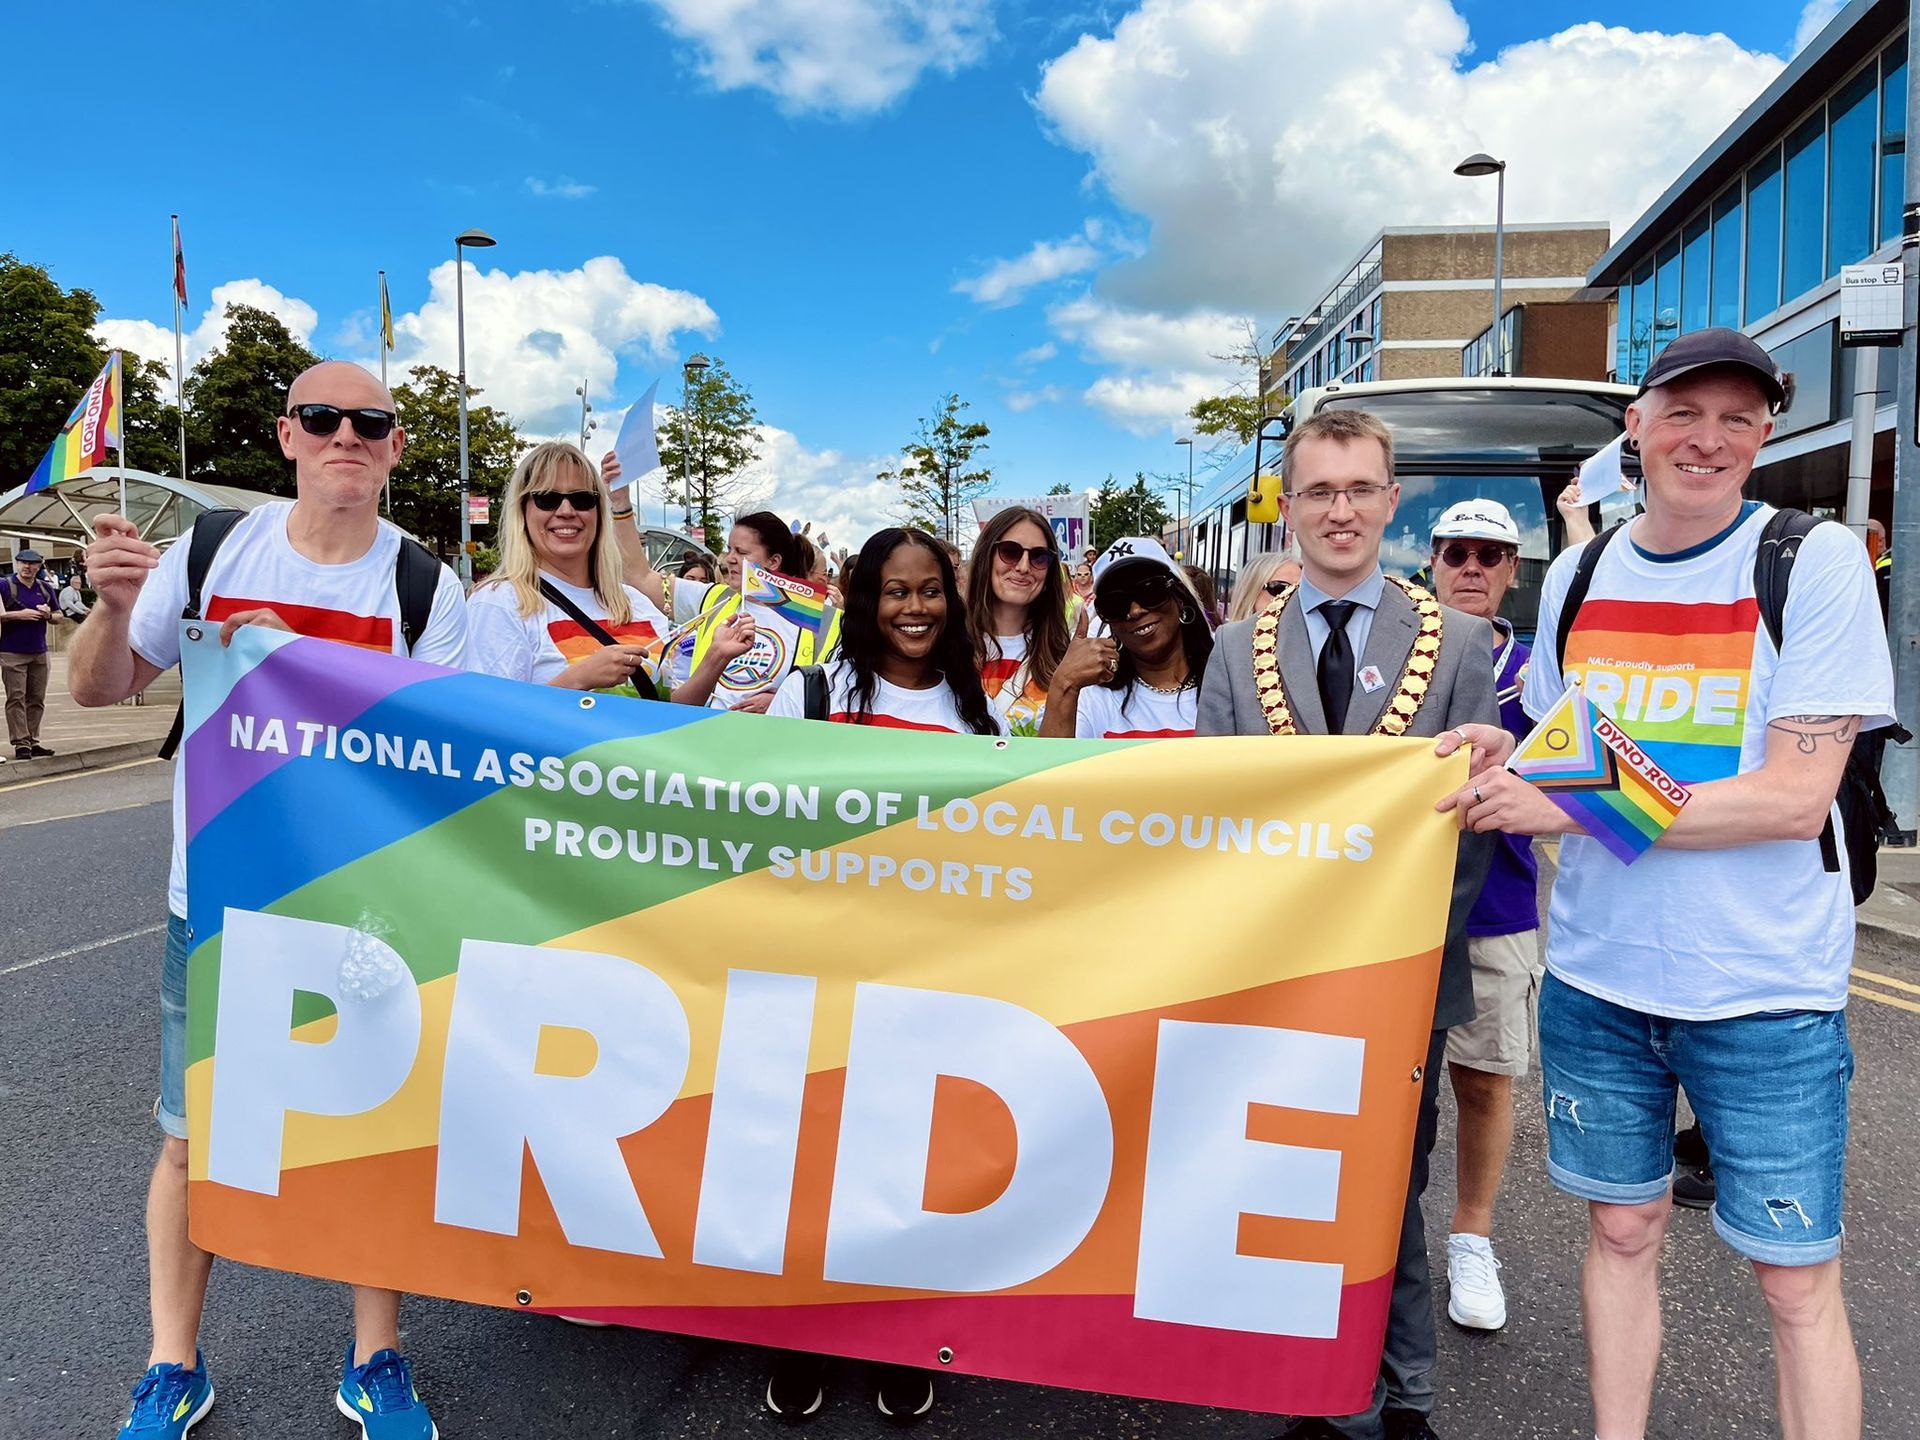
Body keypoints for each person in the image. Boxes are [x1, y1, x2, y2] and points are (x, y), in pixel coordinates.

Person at [1440, 328, 1893, 1440]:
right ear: (1634, 428)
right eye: (1684, 412)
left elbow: (1795, 797)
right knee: (1623, 1235)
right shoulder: (1582, 573)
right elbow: (1560, 745)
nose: (1709, 438)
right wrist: (1508, 757)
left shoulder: (1812, 559)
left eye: (1739, 417)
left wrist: (1584, 795)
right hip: (1600, 979)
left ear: (1767, 432)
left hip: (1766, 990)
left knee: (1794, 1283)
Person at [69, 360, 467, 1440]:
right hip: (217, 896)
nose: (348, 435)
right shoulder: (208, 552)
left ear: (393, 447)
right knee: (190, 1140)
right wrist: (111, 609)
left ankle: (376, 1353)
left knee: (372, 1132)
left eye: (371, 422)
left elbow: (449, 761)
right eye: (324, 418)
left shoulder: (426, 587)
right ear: (287, 436)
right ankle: (171, 1364)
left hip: (366, 911)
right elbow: (99, 690)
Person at [1198, 407, 1496, 1440]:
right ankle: (1302, 1387)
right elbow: (1214, 824)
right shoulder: (1236, 652)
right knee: (1288, 1181)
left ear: (1391, 498)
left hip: (1403, 984)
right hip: (1280, 982)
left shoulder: (1460, 642)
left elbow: (1476, 834)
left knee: (1385, 1193)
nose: (1340, 510)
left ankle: (1402, 1396)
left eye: (1359, 489)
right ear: (1289, 503)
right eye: (1319, 490)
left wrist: (1390, 953)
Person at [1421, 499, 1540, 1334]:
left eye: (1490, 556)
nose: (1472, 567)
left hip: (1496, 904)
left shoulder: (1540, 671)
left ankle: (1471, 1238)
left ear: (1512, 571)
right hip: (1396, 907)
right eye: (1457, 552)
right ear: (1433, 562)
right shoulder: (1402, 662)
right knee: (1388, 1085)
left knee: (1484, 1080)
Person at [466, 440, 754, 703]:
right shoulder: (499, 603)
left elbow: (668, 713)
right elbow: (486, 720)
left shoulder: (635, 602)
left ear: (597, 512)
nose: (566, 510)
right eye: (547, 498)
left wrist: (716, 657)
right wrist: (578, 678)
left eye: (582, 499)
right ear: (523, 510)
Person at [602, 450, 839, 711]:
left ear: (774, 561)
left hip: (777, 746)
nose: (728, 560)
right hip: (706, 740)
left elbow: (843, 692)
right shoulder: (716, 598)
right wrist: (620, 502)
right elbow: (639, 576)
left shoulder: (819, 616)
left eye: (742, 552)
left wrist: (788, 701)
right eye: (729, 549)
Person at [770, 527, 1003, 737]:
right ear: (869, 602)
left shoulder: (979, 712)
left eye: (931, 592)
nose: (916, 607)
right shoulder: (807, 693)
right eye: (898, 592)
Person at [1041, 537, 1212, 740]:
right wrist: (1064, 682)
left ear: (1179, 597)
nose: (1135, 611)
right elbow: (1054, 768)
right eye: (1116, 603)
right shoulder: (1092, 697)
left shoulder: (1226, 684)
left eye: (1150, 591)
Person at [966, 506, 1069, 734]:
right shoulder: (945, 649)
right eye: (1010, 552)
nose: (1023, 567)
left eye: (1039, 557)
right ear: (986, 558)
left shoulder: (1066, 659)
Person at [1, 547, 65, 759]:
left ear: (39, 566)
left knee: (36, 698)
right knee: (16, 698)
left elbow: (59, 616)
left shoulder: (45, 588)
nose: (27, 567)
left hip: (39, 650)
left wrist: (48, 615)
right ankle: (21, 744)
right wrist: (19, 615)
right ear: (17, 564)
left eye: (31, 563)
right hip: (12, 650)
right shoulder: (4, 585)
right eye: (22, 563)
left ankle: (32, 740)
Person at [1224, 551, 1300, 624]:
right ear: (1250, 593)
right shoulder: (1226, 636)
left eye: (1299, 590)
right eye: (1279, 589)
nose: (1291, 598)